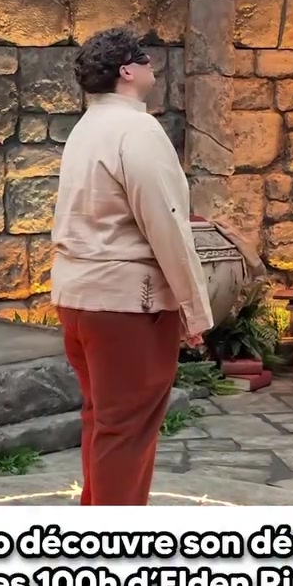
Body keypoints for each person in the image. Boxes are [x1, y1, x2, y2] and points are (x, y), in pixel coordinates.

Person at [51, 27, 214, 506]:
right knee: (126, 431)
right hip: (127, 305)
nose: (151, 66)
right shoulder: (136, 130)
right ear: (127, 70)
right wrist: (194, 309)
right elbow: (166, 223)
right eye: (144, 59)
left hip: (78, 298)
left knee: (104, 421)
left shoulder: (85, 129)